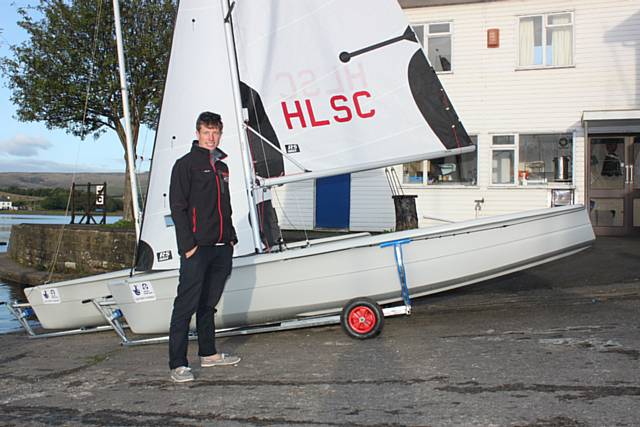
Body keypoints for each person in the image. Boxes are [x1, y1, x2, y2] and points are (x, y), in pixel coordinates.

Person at [168, 111, 240, 383]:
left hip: (222, 246)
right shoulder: (185, 165)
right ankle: (177, 364)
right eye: (207, 132)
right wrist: (188, 246)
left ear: (220, 133)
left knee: (208, 304)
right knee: (185, 306)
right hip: (197, 248)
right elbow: (178, 207)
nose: (211, 137)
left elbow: (226, 205)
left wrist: (230, 237)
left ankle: (208, 354)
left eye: (216, 132)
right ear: (198, 133)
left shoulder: (222, 166)